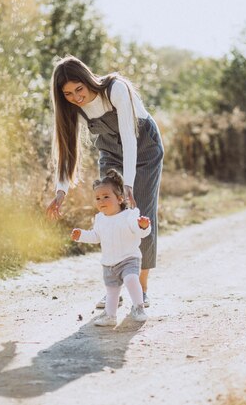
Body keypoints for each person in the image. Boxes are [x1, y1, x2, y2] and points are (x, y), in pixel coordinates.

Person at [46, 55, 164, 309]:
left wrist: (129, 185)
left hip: (143, 149)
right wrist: (60, 192)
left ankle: (140, 289)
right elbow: (67, 151)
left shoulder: (115, 89)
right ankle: (114, 288)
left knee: (137, 213)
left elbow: (130, 139)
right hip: (110, 152)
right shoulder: (72, 106)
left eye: (79, 89)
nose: (76, 97)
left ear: (89, 80)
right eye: (68, 94)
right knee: (111, 215)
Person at [71, 170, 150, 326]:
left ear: (120, 198)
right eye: (98, 198)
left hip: (129, 258)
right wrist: (81, 235)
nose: (101, 201)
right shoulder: (100, 218)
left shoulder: (130, 215)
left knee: (131, 279)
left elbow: (140, 232)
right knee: (112, 291)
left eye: (106, 197)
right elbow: (96, 236)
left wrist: (143, 225)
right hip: (109, 263)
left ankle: (138, 307)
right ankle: (110, 315)